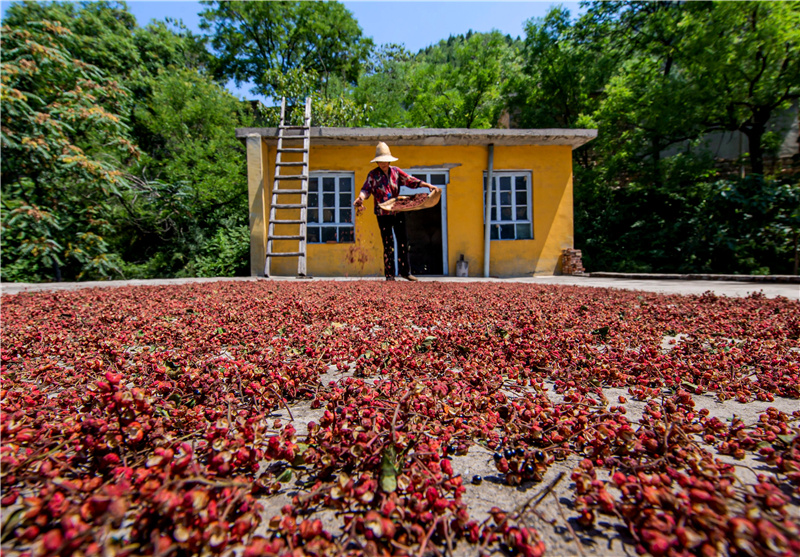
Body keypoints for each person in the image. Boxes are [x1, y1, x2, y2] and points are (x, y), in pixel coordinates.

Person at [354, 142, 439, 281]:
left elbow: (411, 181)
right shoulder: (373, 175)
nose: (383, 164)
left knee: (403, 241)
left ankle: (405, 272)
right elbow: (366, 190)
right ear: (377, 162)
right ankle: (390, 275)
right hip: (382, 213)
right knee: (388, 243)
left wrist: (427, 185)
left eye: (385, 161)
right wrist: (360, 198)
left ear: (389, 160)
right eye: (380, 161)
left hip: (397, 210)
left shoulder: (396, 172)